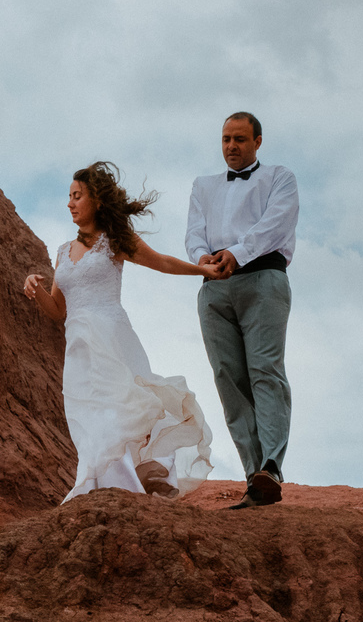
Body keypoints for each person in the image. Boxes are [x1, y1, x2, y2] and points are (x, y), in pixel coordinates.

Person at [24, 161, 215, 501]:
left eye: (77, 196)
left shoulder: (113, 241)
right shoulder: (62, 253)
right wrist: (35, 288)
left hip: (113, 338)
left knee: (120, 410)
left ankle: (129, 484)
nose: (70, 203)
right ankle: (105, 484)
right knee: (87, 418)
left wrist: (203, 271)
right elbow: (57, 311)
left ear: (96, 200)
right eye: (69, 196)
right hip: (79, 348)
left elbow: (162, 262)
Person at [186, 112, 298, 509]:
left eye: (239, 139)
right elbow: (194, 232)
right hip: (213, 285)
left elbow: (275, 224)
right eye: (225, 139)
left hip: (262, 278)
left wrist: (238, 251)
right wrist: (203, 258)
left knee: (265, 370)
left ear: (258, 141)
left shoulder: (279, 178)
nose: (231, 146)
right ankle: (255, 477)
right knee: (226, 377)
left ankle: (271, 464)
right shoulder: (203, 185)